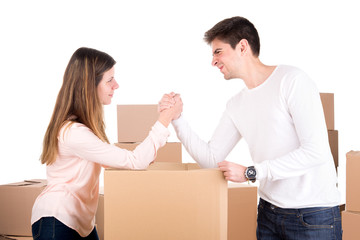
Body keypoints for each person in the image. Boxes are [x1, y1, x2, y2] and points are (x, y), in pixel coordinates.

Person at [160, 17, 342, 239]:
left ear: (243, 47)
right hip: (269, 213)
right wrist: (177, 118)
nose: (213, 61)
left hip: (313, 215)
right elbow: (210, 158)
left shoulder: (292, 81)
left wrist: (251, 172)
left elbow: (316, 152)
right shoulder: (236, 104)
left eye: (218, 52)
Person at [31, 47, 181, 240]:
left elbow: (125, 161)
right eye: (109, 80)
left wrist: (144, 155)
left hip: (81, 223)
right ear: (89, 85)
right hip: (58, 219)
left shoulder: (83, 128)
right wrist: (166, 117)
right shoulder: (73, 132)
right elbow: (135, 161)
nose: (116, 85)